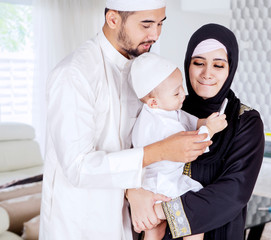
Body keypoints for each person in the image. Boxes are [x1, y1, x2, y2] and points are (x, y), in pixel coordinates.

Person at [39, 1, 212, 239]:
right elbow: (78, 167)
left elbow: (132, 141)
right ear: (113, 19)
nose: (155, 34)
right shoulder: (74, 74)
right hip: (79, 222)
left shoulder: (141, 71)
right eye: (146, 25)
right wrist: (161, 151)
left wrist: (134, 189)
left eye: (160, 24)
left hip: (126, 217)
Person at [128, 23, 265, 240]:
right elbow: (130, 158)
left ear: (231, 69)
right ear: (187, 64)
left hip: (216, 232)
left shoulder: (245, 120)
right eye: (198, 63)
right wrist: (132, 193)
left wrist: (162, 211)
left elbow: (233, 192)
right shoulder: (166, 108)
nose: (206, 73)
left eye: (218, 66)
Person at [130, 52, 228, 240]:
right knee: (195, 216)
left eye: (181, 87)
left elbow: (188, 120)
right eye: (176, 93)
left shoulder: (159, 110)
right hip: (163, 182)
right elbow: (191, 144)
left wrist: (204, 122)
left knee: (155, 230)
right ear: (153, 101)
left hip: (152, 181)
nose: (183, 94)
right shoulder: (162, 125)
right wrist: (211, 130)